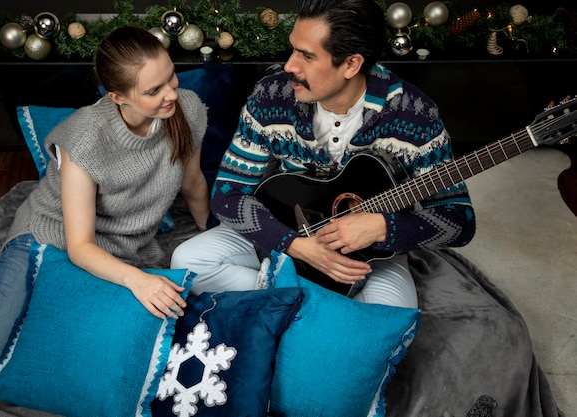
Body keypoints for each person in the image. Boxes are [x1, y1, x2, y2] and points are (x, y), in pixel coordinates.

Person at [0, 25, 210, 400]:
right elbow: (80, 247)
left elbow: (193, 183)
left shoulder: (187, 109)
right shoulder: (85, 138)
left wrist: (210, 229)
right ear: (118, 96)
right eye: (154, 90)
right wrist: (138, 280)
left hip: (119, 249)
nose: (172, 93)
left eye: (170, 75)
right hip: (46, 243)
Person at [171, 0, 475, 306]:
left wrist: (384, 228)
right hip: (283, 230)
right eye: (293, 50)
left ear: (351, 64)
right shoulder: (270, 96)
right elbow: (227, 195)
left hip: (369, 256)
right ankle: (318, 309)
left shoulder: (414, 115)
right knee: (187, 260)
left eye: (307, 56)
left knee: (389, 318)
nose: (289, 65)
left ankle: (289, 304)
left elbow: (460, 221)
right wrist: (295, 245)